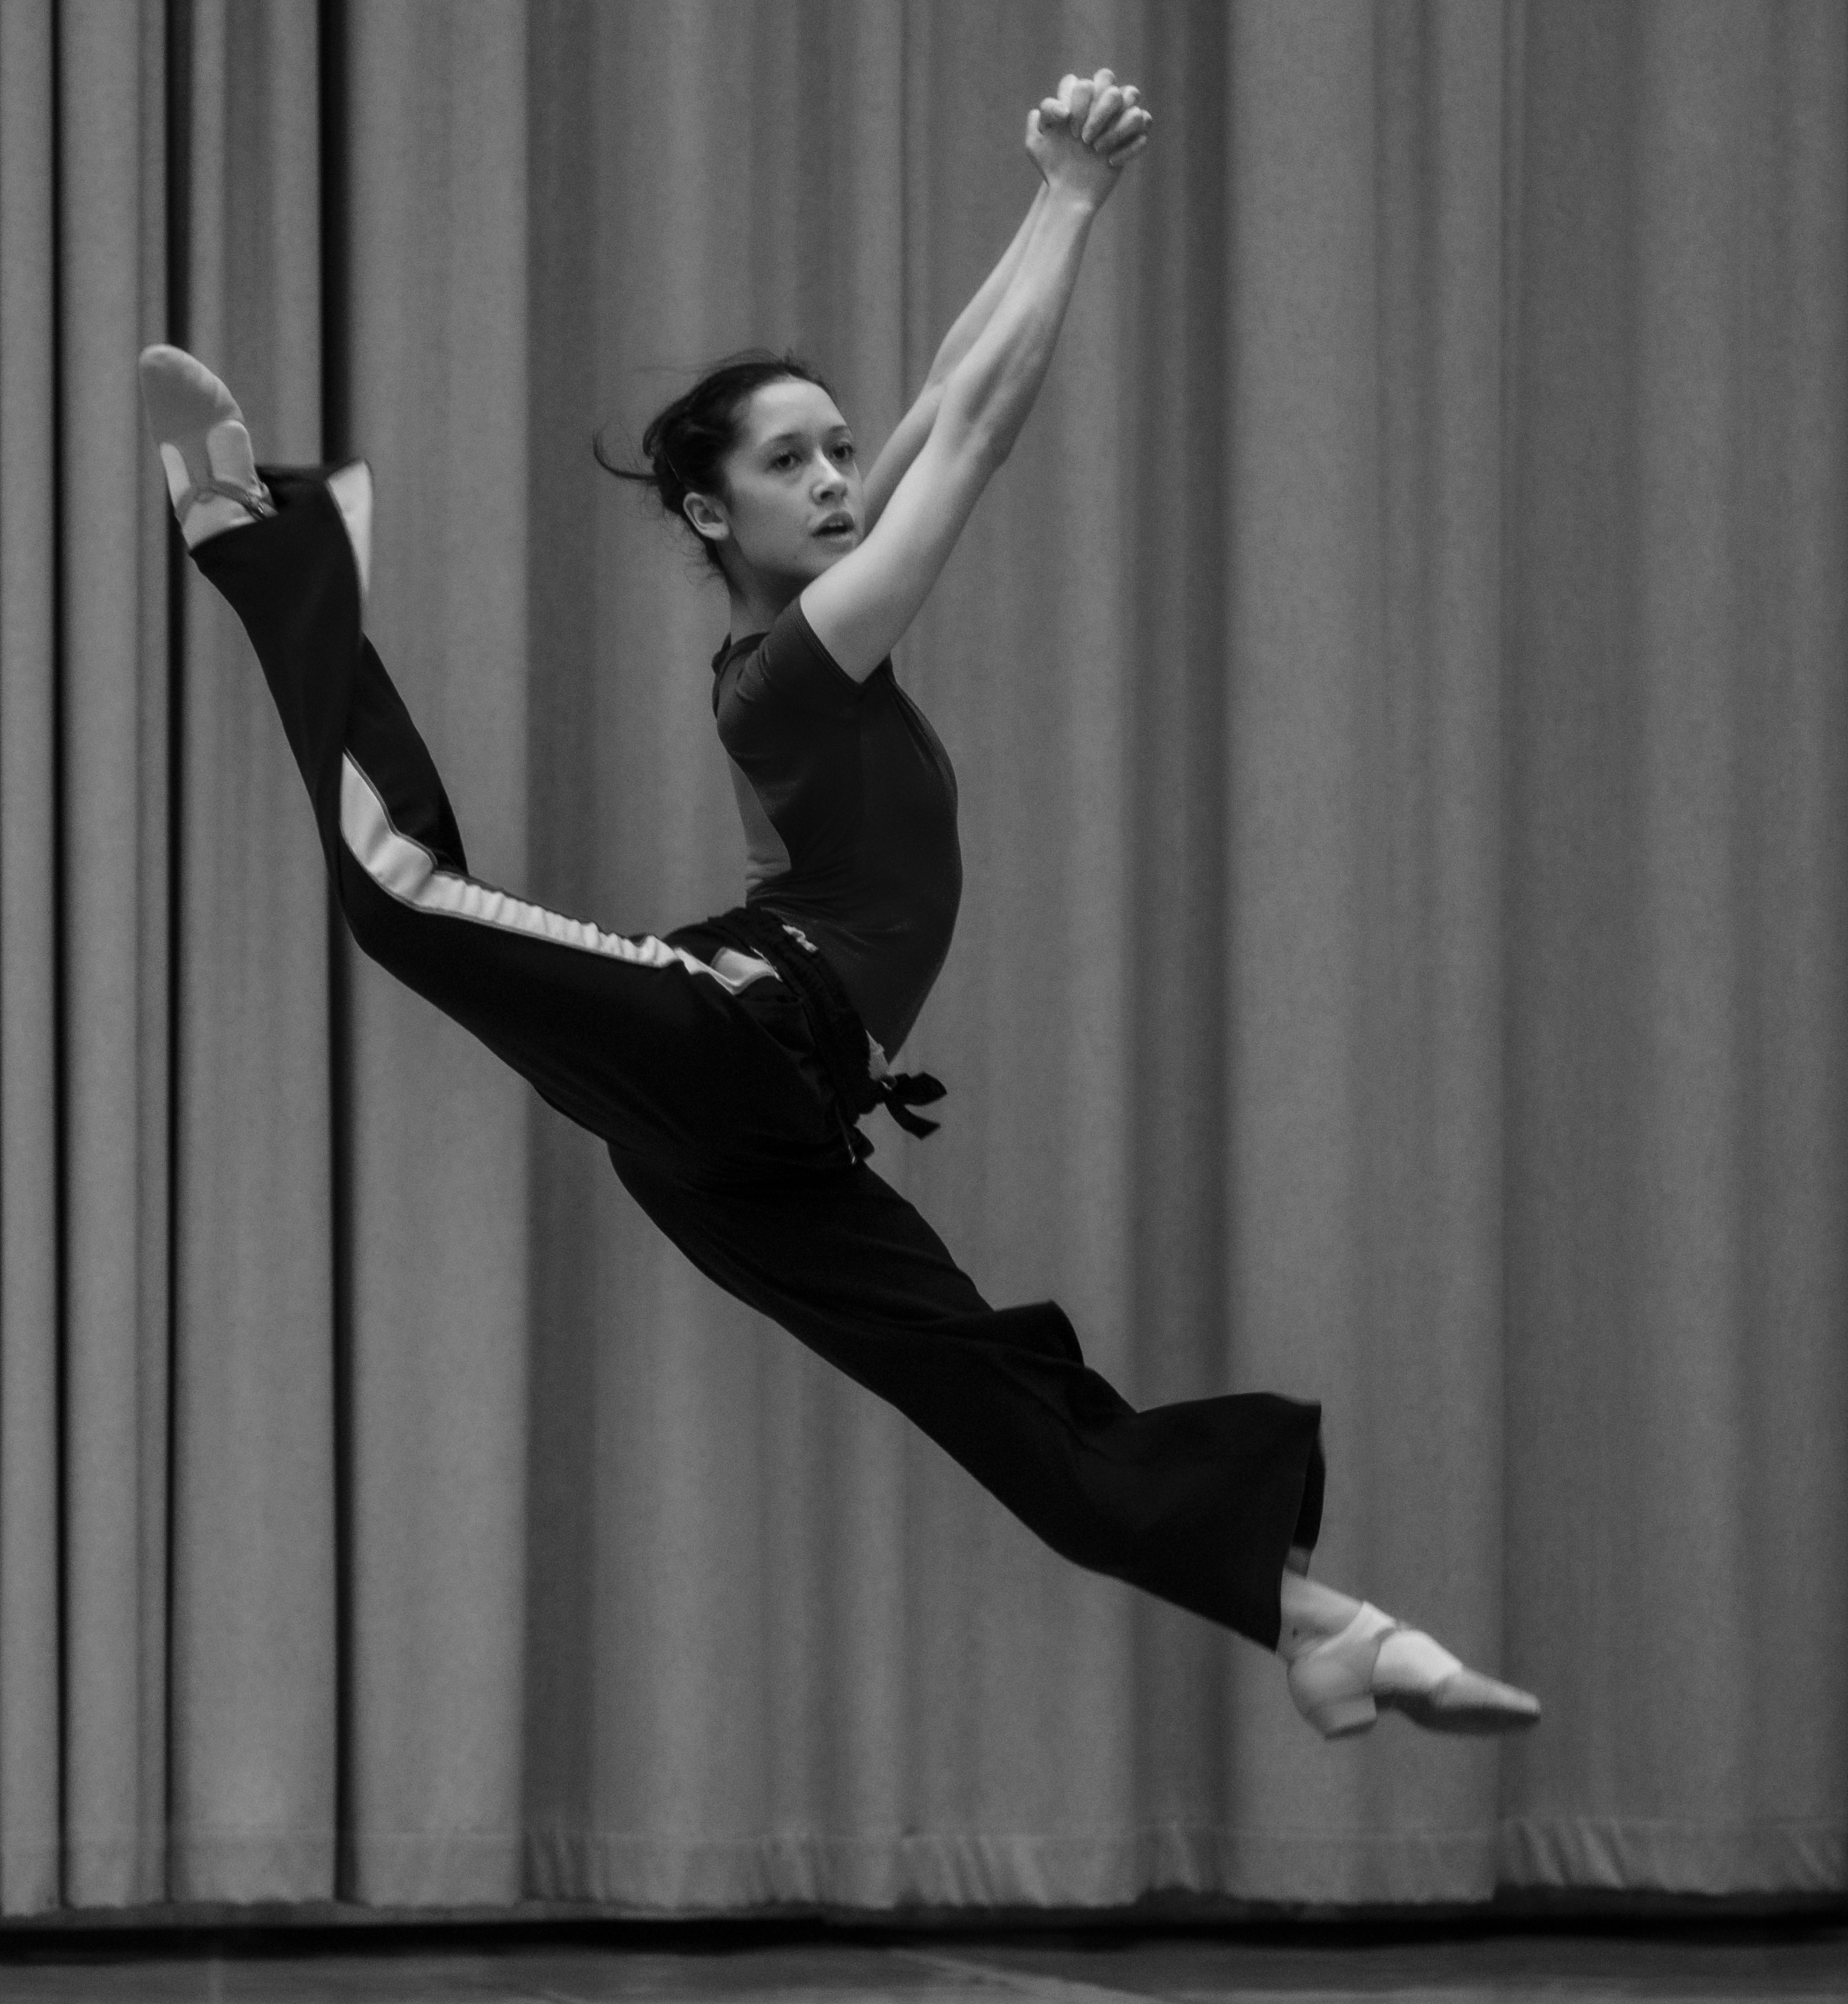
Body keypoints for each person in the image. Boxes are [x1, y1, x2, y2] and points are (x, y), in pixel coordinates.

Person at [140, 69, 1536, 1741]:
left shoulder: (824, 643)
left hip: (771, 1133)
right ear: (708, 510)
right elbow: (981, 432)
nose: (834, 476)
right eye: (787, 459)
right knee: (403, 894)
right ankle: (263, 538)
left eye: (839, 450)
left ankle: (1323, 1627)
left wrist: (1043, 192)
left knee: (1002, 1407)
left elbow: (947, 398)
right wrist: (1074, 204)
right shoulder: (794, 672)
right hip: (735, 1028)